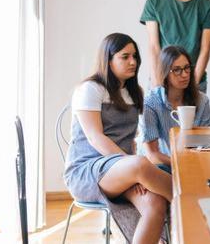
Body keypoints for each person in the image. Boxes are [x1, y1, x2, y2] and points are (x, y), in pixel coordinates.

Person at [64, 33, 171, 244]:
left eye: (135, 56)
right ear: (108, 59)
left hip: (121, 169)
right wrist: (133, 167)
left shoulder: (134, 92)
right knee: (142, 164)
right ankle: (191, 200)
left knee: (155, 204)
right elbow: (96, 138)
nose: (133, 61)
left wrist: (133, 169)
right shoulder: (90, 89)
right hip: (87, 171)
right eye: (125, 56)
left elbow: (130, 140)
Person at [139, 46, 210, 172]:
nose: (184, 75)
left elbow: (205, 144)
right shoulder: (150, 102)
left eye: (187, 68)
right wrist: (181, 163)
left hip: (194, 163)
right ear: (165, 72)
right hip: (161, 166)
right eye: (177, 70)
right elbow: (152, 154)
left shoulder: (203, 101)